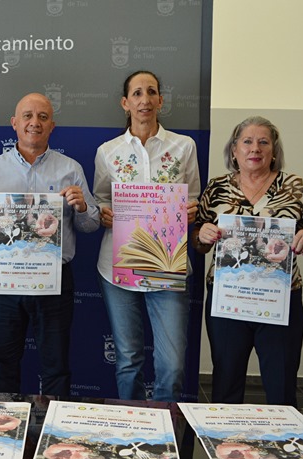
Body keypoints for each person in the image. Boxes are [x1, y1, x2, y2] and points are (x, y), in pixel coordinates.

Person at [0, 93, 100, 396]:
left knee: (56, 365)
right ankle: (4, 421)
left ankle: (52, 421)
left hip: (54, 280)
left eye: (43, 117)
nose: (35, 122)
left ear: (52, 125)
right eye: (27, 116)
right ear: (14, 123)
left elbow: (90, 225)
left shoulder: (71, 169)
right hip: (5, 279)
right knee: (3, 364)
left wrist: (82, 208)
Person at [193, 116, 303, 406]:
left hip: (279, 298)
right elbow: (198, 240)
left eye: (264, 142)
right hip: (228, 297)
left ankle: (283, 435)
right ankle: (225, 435)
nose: (255, 148)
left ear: (274, 151)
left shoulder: (294, 185)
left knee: (281, 383)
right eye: (247, 141)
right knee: (226, 382)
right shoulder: (217, 188)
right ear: (234, 150)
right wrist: (202, 233)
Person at [92, 71, 201, 401]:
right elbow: (100, 198)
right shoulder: (108, 151)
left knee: (173, 364)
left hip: (168, 263)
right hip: (118, 265)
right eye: (137, 93)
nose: (145, 100)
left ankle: (166, 424)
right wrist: (103, 212)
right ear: (125, 103)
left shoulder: (184, 146)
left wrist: (191, 210)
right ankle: (132, 422)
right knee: (128, 360)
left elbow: (193, 196)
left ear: (160, 101)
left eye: (151, 92)